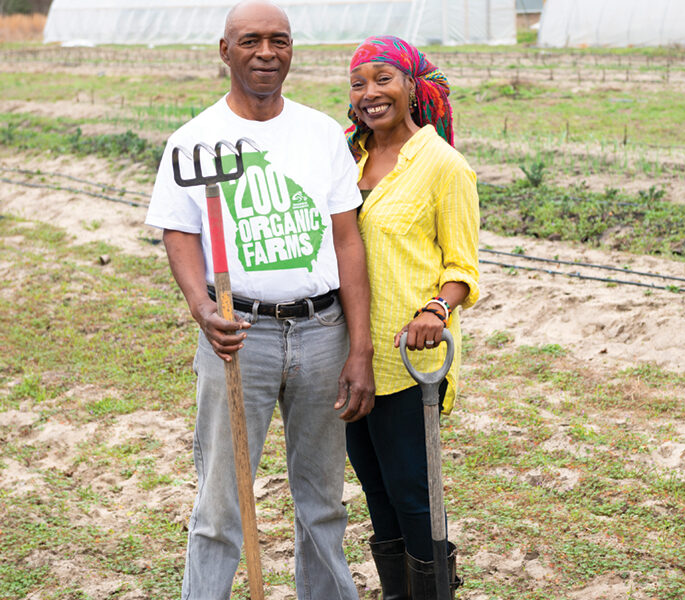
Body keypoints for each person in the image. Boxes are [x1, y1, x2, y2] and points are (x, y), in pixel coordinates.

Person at [145, 3, 375, 599]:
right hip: (238, 334)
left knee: (323, 502)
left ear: (293, 50)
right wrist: (203, 308)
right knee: (220, 503)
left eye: (280, 40)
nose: (267, 52)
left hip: (324, 331)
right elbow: (178, 231)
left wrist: (361, 347)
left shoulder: (322, 132)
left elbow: (347, 239)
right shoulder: (193, 140)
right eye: (251, 41)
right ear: (226, 51)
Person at [344, 36, 480, 600]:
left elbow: (461, 265)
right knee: (374, 486)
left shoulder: (443, 166)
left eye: (383, 79)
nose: (370, 93)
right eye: (358, 83)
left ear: (412, 86)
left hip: (407, 357)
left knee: (413, 491)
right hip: (349, 353)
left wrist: (436, 307)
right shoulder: (346, 158)